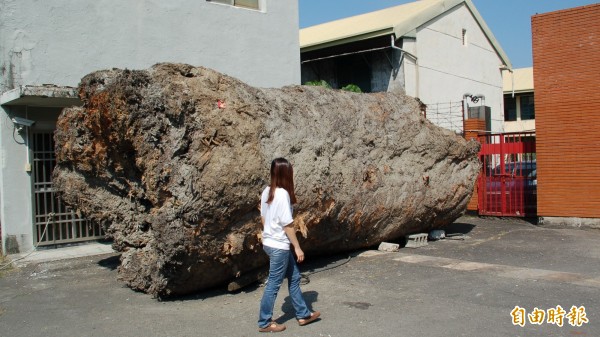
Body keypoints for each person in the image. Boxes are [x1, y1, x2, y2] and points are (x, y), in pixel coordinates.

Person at [257, 158, 321, 333]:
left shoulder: (266, 191)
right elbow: (288, 225)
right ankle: (264, 322)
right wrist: (297, 247)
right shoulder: (283, 194)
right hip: (279, 246)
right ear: (286, 174)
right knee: (274, 284)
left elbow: (263, 218)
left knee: (294, 278)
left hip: (269, 243)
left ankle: (303, 314)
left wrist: (270, 232)